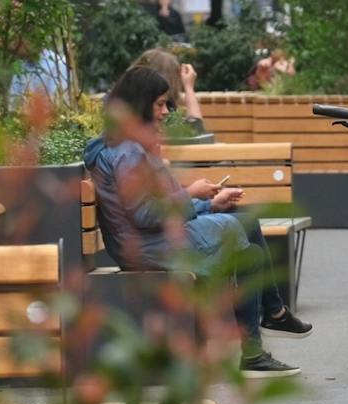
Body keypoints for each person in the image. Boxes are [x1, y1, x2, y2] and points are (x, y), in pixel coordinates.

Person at [83, 65, 308, 380]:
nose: (164, 111)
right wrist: (196, 197)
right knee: (240, 236)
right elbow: (146, 214)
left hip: (149, 238)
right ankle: (262, 337)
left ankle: (270, 322)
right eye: (159, 104)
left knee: (246, 226)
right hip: (146, 246)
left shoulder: (130, 143)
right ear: (140, 102)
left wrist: (207, 202)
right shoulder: (128, 151)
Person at [136, 47, 204, 123]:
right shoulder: (161, 114)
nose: (165, 111)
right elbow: (196, 131)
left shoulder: (126, 108)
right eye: (160, 104)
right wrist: (189, 88)